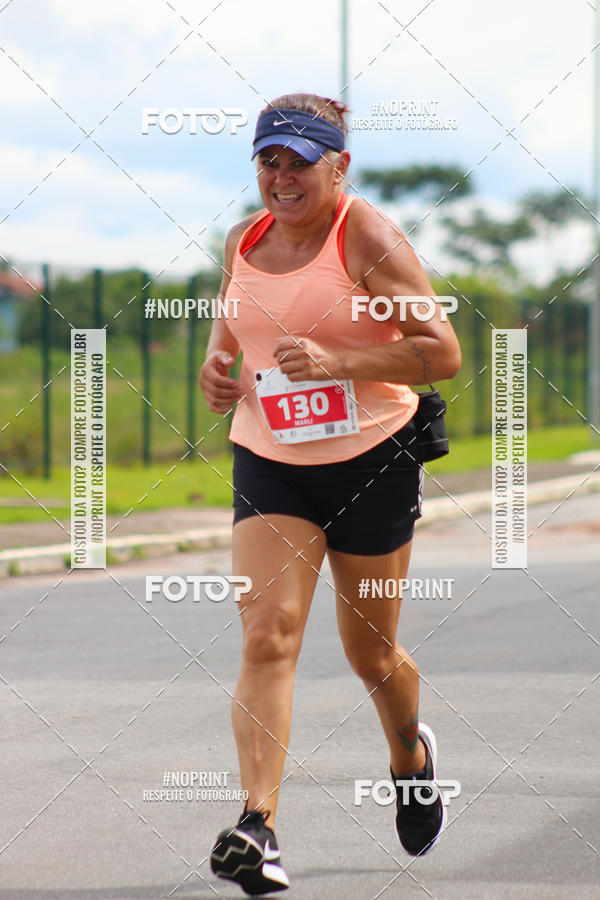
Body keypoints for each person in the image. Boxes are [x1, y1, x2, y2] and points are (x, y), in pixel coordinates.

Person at [200, 92, 461, 896]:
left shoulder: (367, 237)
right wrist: (216, 376)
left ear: (338, 166)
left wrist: (340, 362)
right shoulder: (245, 240)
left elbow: (439, 351)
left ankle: (411, 760)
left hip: (371, 457)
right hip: (271, 457)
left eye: (300, 161)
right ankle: (258, 825)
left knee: (369, 653)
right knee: (267, 633)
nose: (281, 176)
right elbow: (229, 342)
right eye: (268, 159)